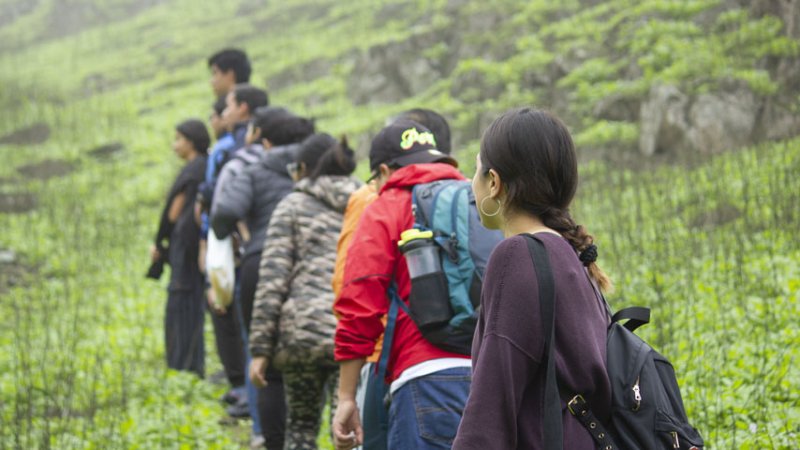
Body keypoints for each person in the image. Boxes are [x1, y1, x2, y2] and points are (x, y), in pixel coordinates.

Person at [451, 108, 613, 449]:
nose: (471, 181)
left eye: (477, 169)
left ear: (494, 182)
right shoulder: (571, 257)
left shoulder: (518, 256)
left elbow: (492, 403)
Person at [332, 120, 471, 450]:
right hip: (494, 377)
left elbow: (359, 305)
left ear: (383, 170)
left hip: (424, 379)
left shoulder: (387, 206)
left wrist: (347, 397)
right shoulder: (476, 199)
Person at [250, 133, 361, 449]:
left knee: (300, 427)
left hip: (302, 334)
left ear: (304, 167)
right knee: (346, 431)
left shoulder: (292, 206)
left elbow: (273, 280)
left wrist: (260, 349)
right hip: (351, 333)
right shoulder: (366, 201)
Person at [212, 109, 315, 449]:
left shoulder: (255, 171)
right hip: (312, 265)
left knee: (267, 367)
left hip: (261, 264)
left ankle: (271, 441)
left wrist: (244, 233)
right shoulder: (316, 168)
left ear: (266, 141)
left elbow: (223, 214)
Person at [148, 119, 210, 378]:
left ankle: (183, 366)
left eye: (178, 140)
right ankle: (188, 364)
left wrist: (163, 243)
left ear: (191, 140)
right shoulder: (202, 167)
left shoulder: (194, 170)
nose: (175, 146)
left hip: (184, 251)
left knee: (181, 306)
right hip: (189, 249)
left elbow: (174, 213)